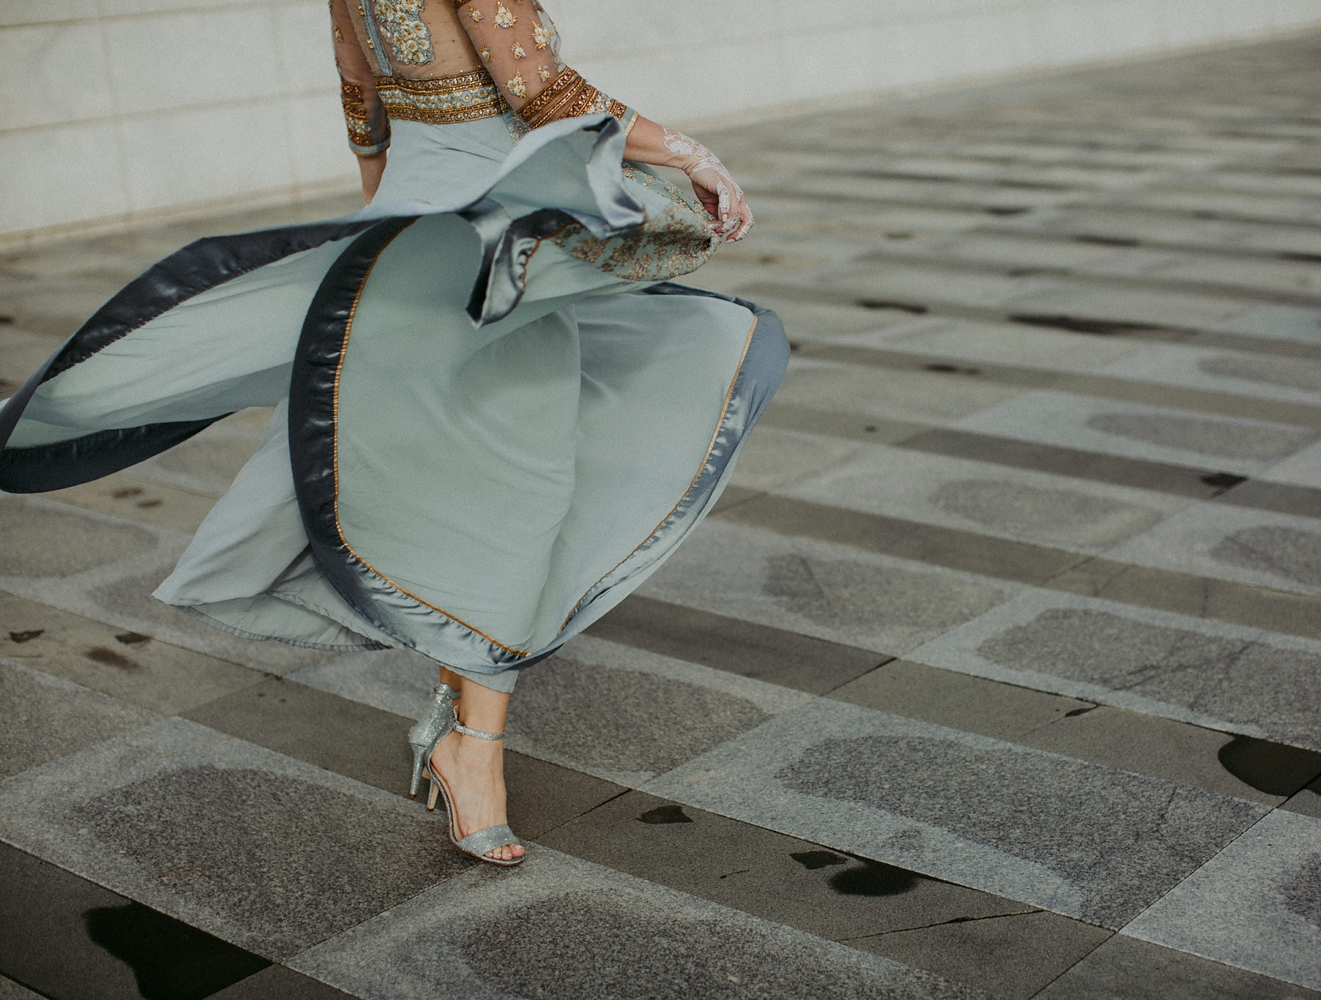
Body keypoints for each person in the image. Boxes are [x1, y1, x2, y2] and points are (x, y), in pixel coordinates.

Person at [0, 0, 788, 867]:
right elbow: (544, 92)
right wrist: (697, 157)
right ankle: (472, 754)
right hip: (489, 238)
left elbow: (362, 100)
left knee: (473, 485)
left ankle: (465, 734)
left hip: (420, 234)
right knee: (520, 496)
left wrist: (383, 232)